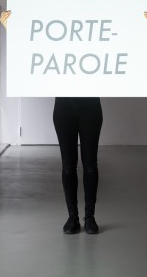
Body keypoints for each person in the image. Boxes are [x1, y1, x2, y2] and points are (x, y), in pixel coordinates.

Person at [53, 96, 103, 234]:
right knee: (68, 166)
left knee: (90, 165)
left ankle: (89, 217)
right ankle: (72, 217)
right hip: (63, 106)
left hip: (91, 106)